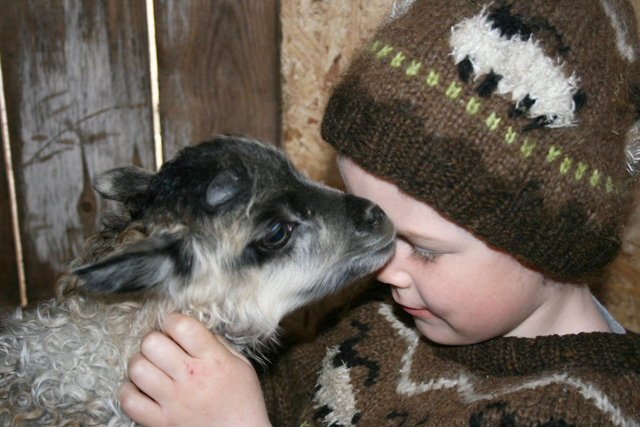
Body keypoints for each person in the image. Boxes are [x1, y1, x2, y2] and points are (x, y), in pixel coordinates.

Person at [117, 0, 640, 425]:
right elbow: (274, 398)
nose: (381, 266)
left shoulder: (585, 409)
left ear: (546, 247)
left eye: (426, 250)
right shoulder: (379, 318)